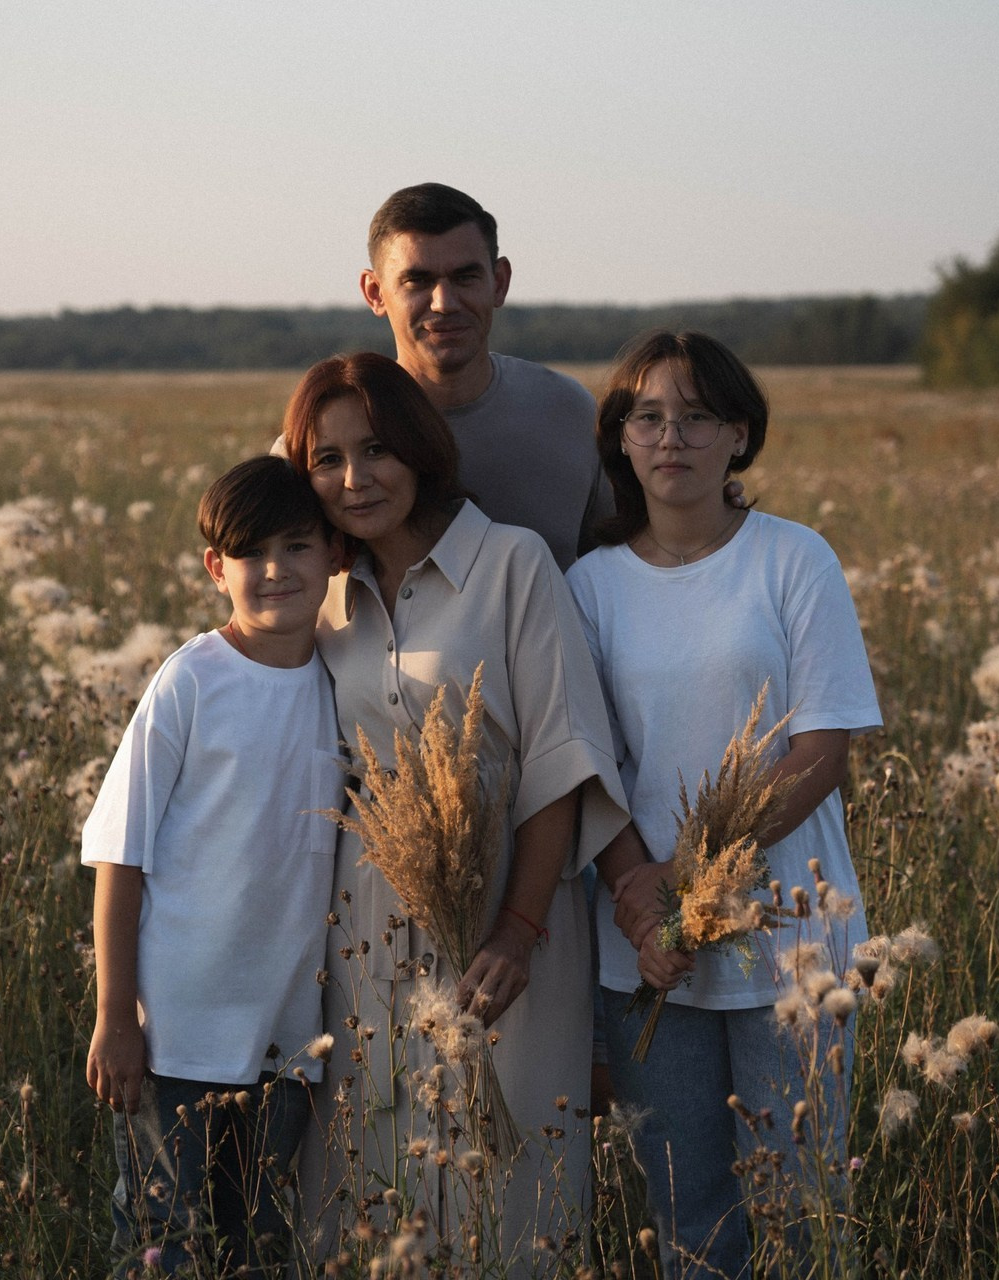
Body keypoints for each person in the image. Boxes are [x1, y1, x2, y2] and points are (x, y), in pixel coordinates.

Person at [281, 351, 631, 1265]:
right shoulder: (322, 595)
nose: (355, 479)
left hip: (511, 923)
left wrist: (516, 931)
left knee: (511, 1180)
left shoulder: (512, 564)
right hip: (366, 932)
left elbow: (559, 759)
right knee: (375, 1168)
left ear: (421, 449)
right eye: (326, 459)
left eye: (377, 450)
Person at [566, 331, 882, 1278]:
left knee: (802, 1209)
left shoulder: (794, 559)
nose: (672, 438)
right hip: (647, 956)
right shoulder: (589, 585)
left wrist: (690, 879)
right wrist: (644, 901)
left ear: (739, 434)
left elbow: (821, 750)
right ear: (621, 438)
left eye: (697, 416)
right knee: (690, 1221)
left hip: (792, 940)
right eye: (648, 417)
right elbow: (588, 763)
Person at [82, 456, 346, 1278]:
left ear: (334, 553)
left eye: (297, 546)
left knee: (256, 1241)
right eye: (250, 553)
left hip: (287, 1038)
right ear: (214, 567)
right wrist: (116, 1015)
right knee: (162, 1239)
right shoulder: (192, 679)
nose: (275, 570)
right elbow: (120, 854)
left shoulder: (342, 685)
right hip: (175, 1034)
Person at [358, 182, 608, 571]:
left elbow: (624, 567)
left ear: (499, 282)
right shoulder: (336, 430)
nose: (444, 303)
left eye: (465, 277)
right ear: (375, 292)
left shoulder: (569, 413)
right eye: (417, 281)